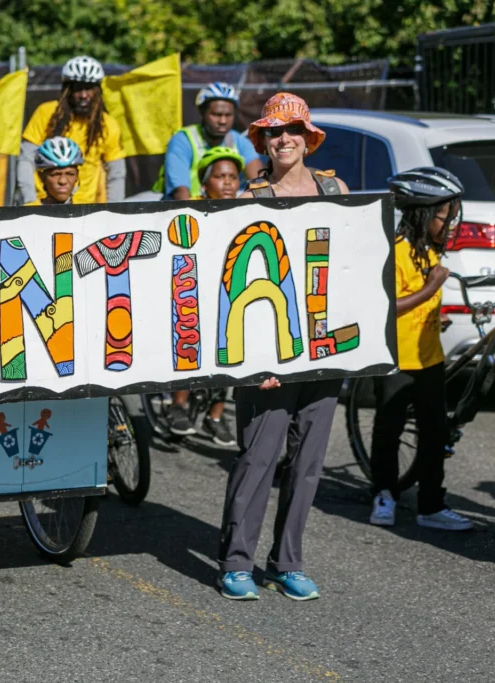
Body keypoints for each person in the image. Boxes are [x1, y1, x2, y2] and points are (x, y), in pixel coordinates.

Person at [216, 93, 349, 602]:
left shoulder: (337, 190)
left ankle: (287, 562)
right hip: (265, 358)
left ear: (308, 137)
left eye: (293, 129)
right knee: (258, 458)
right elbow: (230, 288)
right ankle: (236, 562)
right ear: (263, 141)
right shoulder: (248, 199)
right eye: (274, 132)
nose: (283, 138)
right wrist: (252, 362)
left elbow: (351, 269)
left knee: (309, 462)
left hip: (323, 352)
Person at [369, 167, 473, 531]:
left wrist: (435, 314)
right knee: (389, 429)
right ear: (423, 214)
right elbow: (386, 305)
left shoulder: (430, 252)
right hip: (397, 359)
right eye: (445, 216)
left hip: (429, 357)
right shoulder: (395, 252)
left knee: (435, 432)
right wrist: (430, 290)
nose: (451, 224)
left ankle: (431, 504)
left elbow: (420, 303)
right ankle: (383, 494)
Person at [165, 147, 246, 446]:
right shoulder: (189, 212)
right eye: (220, 176)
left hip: (226, 292)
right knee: (189, 334)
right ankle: (178, 405)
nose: (228, 183)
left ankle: (216, 415)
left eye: (233, 177)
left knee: (231, 345)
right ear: (204, 183)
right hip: (190, 291)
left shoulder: (243, 212)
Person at [18, 56, 126, 205]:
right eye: (78, 88)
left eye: (89, 88)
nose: (83, 95)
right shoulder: (46, 113)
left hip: (85, 210)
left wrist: (115, 211)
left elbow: (116, 173)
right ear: (67, 90)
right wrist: (30, 201)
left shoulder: (107, 124)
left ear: (98, 91)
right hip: (43, 205)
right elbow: (26, 159)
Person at [157, 82, 263, 200]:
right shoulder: (183, 140)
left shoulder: (240, 142)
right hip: (185, 211)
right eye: (217, 114)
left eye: (228, 115)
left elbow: (260, 185)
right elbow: (180, 193)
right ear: (202, 113)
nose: (223, 121)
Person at [25, 137, 84, 206]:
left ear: (77, 176)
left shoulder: (88, 211)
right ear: (41, 177)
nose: (63, 181)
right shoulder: (27, 212)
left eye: (70, 174)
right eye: (55, 174)